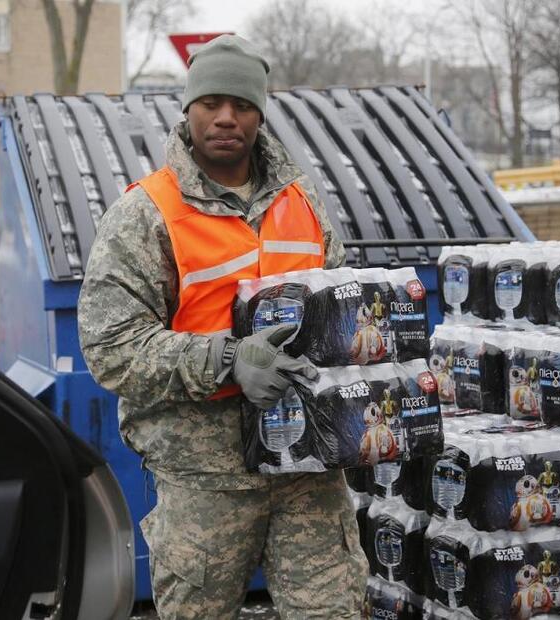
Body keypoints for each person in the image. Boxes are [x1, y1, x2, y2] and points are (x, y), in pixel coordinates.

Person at [78, 34, 366, 619]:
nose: (226, 118)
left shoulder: (302, 200)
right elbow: (110, 348)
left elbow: (340, 301)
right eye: (211, 102)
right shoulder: (145, 214)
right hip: (205, 483)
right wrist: (229, 359)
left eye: (242, 104)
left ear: (261, 112)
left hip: (309, 470)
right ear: (188, 108)